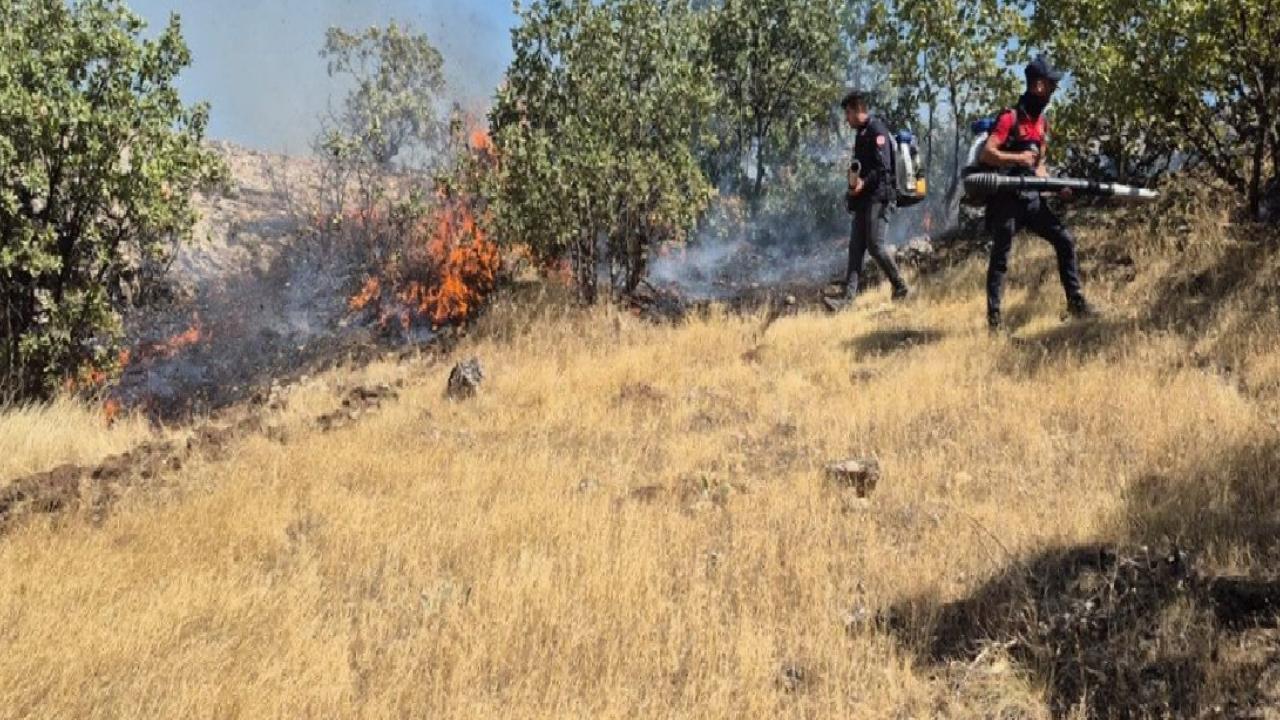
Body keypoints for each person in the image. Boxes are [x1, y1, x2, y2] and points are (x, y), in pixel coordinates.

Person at [980, 55, 1097, 331]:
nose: (1055, 90)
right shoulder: (1009, 118)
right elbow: (988, 152)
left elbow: (1040, 166)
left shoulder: (1042, 122)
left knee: (1064, 240)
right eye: (1051, 84)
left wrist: (1056, 188)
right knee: (1000, 257)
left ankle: (1076, 302)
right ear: (1039, 85)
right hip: (1007, 200)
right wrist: (1017, 158)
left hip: (1032, 200)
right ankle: (994, 321)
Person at [824, 91, 910, 313]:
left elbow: (883, 169)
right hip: (864, 201)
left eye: (848, 113)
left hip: (880, 198)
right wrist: (852, 191)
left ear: (858, 110)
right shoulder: (861, 134)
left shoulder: (876, 130)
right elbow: (860, 169)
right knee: (855, 249)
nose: (846, 119)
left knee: (875, 245)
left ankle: (900, 286)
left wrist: (863, 183)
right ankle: (847, 300)